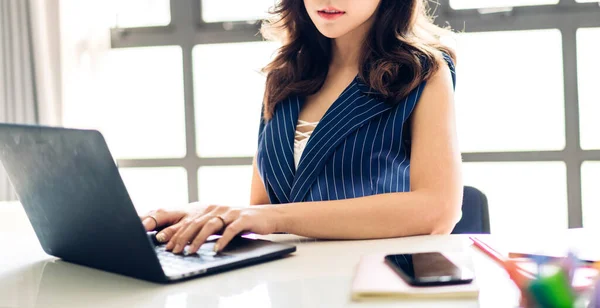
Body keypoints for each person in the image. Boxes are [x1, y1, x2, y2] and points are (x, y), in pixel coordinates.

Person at [140, 0, 462, 255]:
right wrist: (205, 214)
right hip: (286, 287)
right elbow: (262, 210)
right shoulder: (284, 75)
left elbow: (438, 209)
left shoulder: (424, 73)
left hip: (371, 285)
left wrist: (278, 218)